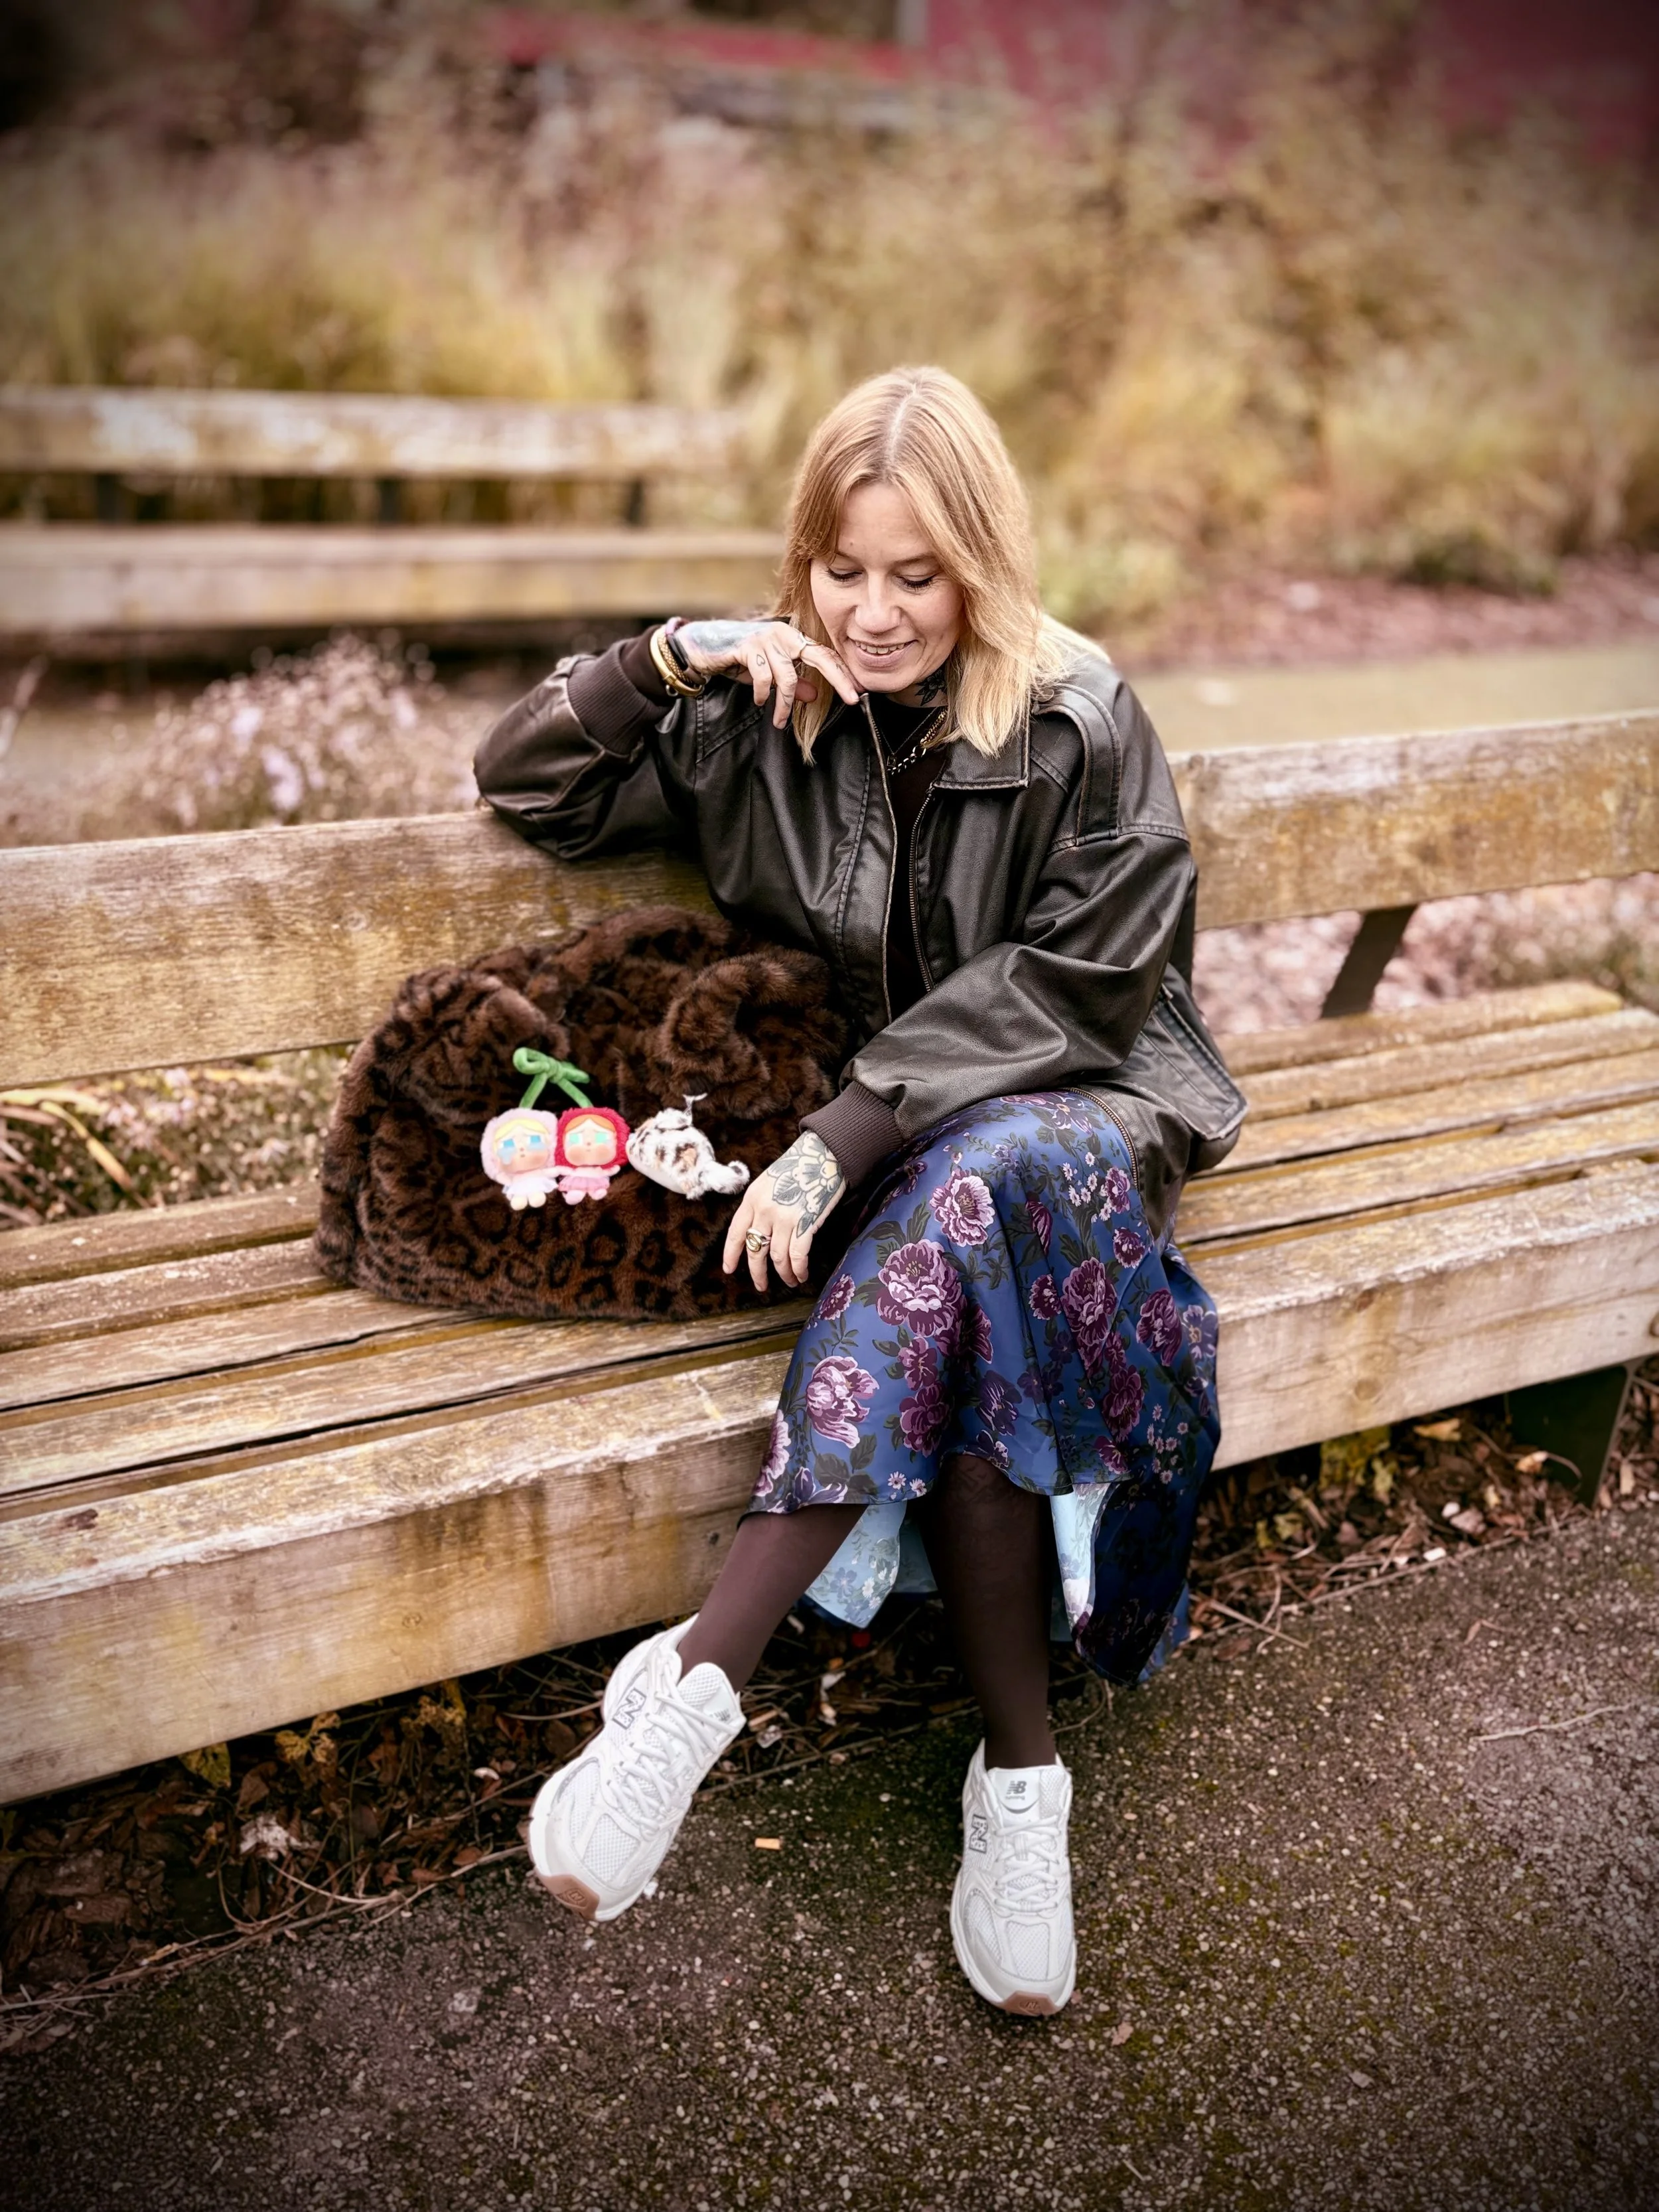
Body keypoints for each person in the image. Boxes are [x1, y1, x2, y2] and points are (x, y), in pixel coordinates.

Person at [474, 365, 1245, 2016]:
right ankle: (1018, 1788)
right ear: (800, 559)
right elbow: (523, 784)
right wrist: (659, 658)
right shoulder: (756, 712)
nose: (875, 613)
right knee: (972, 1321)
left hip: (1087, 1113)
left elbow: (1090, 982)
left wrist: (848, 1127)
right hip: (912, 1184)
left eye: (917, 574)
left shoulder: (1076, 713)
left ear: (980, 561)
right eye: (842, 569)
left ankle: (692, 1683)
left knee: (975, 1187)